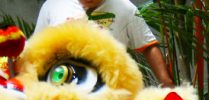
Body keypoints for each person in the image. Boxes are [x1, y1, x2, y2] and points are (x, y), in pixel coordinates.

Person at [36, 0, 173, 87]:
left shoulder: (124, 7)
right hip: (65, 94)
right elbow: (36, 51)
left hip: (112, 96)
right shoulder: (52, 7)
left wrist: (166, 82)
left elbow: (148, 46)